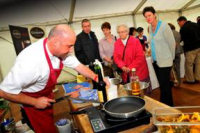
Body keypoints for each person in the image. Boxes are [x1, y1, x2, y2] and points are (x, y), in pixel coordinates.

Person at [0, 25, 105, 133]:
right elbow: (4, 92)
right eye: (69, 46)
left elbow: (78, 65)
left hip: (47, 95)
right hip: (32, 103)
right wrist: (35, 102)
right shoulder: (30, 62)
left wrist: (97, 78)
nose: (71, 50)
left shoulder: (59, 50)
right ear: (55, 42)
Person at [143, 6, 176, 106]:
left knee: (165, 86)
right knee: (162, 85)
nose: (148, 18)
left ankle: (169, 106)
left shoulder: (164, 26)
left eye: (149, 15)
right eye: (146, 16)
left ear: (154, 15)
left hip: (165, 61)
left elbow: (172, 44)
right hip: (155, 61)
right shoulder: (149, 28)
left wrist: (171, 59)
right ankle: (164, 104)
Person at [177, 16, 200, 84]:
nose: (179, 25)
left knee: (189, 64)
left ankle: (190, 80)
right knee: (198, 63)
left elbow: (180, 39)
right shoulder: (196, 24)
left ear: (182, 21)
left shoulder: (183, 28)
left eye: (179, 23)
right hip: (199, 47)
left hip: (190, 49)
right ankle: (198, 78)